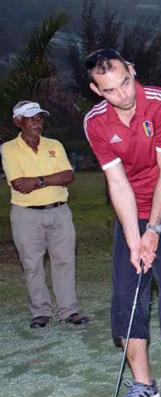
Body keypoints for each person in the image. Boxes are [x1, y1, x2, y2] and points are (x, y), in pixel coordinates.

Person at [83, 48, 161, 397]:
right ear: (96, 90)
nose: (123, 95)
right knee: (126, 293)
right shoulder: (95, 123)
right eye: (111, 90)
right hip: (132, 208)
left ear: (132, 71)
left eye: (126, 83)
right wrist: (135, 240)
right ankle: (144, 385)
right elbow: (118, 184)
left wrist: (154, 231)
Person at [2, 101, 89, 329]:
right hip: (26, 215)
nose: (37, 122)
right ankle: (40, 312)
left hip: (60, 211)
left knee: (65, 261)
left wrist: (38, 180)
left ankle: (69, 311)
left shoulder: (55, 145)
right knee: (32, 264)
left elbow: (68, 176)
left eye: (39, 117)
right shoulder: (8, 149)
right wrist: (50, 178)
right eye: (31, 118)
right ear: (18, 122)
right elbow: (20, 185)